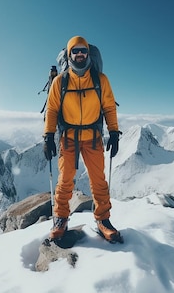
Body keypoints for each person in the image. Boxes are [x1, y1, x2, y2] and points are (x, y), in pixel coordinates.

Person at [43, 35, 122, 242]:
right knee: (65, 180)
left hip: (93, 136)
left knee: (98, 181)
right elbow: (52, 110)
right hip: (68, 137)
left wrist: (114, 132)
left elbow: (109, 107)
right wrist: (48, 136)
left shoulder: (100, 80)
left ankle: (103, 220)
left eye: (83, 51)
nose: (80, 54)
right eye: (75, 51)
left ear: (88, 53)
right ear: (69, 55)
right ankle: (60, 218)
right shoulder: (60, 82)